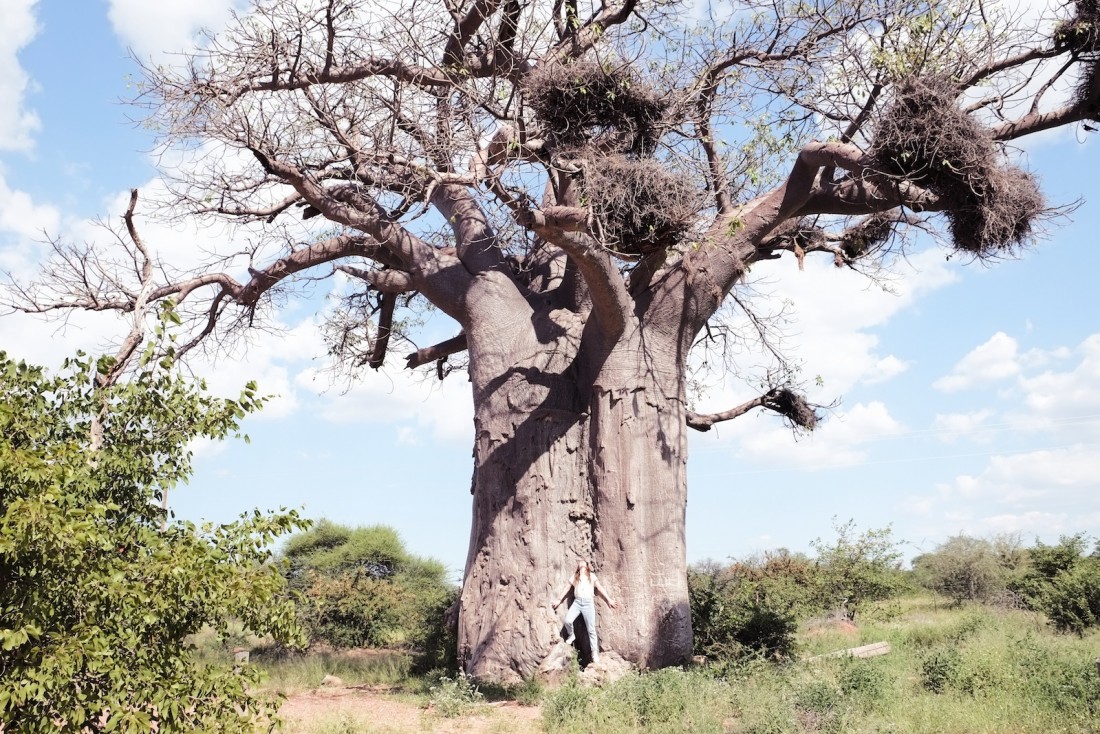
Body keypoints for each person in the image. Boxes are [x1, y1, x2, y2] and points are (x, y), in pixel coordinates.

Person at [553, 559, 617, 663]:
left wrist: (608, 599)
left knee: (591, 630)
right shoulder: (575, 576)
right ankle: (571, 634)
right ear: (578, 566)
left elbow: (599, 588)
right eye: (580, 562)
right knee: (568, 621)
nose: (582, 563)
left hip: (588, 603)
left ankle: (594, 653)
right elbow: (566, 588)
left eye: (584, 562)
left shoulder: (591, 576)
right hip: (577, 602)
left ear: (587, 565)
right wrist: (559, 600)